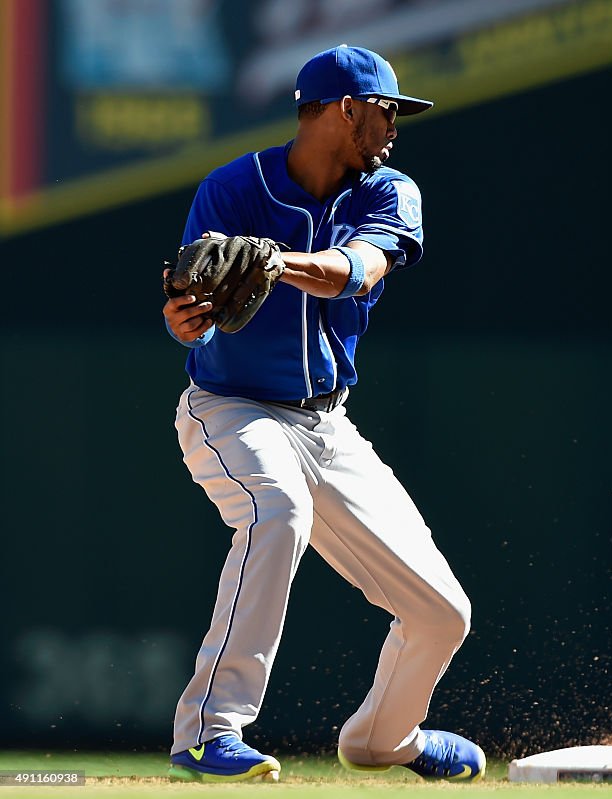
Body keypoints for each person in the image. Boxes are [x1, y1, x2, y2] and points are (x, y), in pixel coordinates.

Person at [162, 45, 485, 783]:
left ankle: (385, 739)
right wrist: (186, 320)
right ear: (345, 109)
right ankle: (209, 729)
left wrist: (277, 261)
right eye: (387, 109)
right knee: (276, 509)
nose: (395, 124)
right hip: (231, 409)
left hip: (328, 426)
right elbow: (191, 308)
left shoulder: (388, 190)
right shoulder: (232, 186)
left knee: (442, 612)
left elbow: (358, 270)